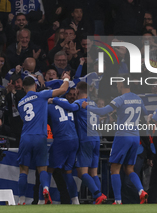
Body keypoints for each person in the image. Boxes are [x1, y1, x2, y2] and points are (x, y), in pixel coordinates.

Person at [82, 75, 149, 204]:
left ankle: (118, 200)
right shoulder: (138, 99)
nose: (117, 85)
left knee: (115, 168)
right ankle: (141, 191)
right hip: (135, 137)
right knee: (129, 168)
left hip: (123, 136)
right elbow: (146, 115)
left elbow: (102, 112)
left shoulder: (120, 99)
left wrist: (87, 107)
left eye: (118, 83)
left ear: (122, 84)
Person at [16, 73, 70, 205]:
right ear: (35, 85)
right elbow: (63, 90)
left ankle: (21, 199)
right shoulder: (42, 95)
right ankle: (46, 189)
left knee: (24, 170)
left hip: (26, 137)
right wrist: (66, 78)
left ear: (24, 88)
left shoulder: (20, 103)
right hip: (41, 136)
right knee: (43, 169)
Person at [53, 82, 107, 204]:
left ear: (77, 91)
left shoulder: (80, 102)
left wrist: (54, 100)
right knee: (93, 173)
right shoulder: (93, 103)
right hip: (96, 139)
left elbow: (71, 107)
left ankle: (98, 195)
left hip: (85, 140)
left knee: (81, 173)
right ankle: (98, 199)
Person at [37, 96, 79, 204]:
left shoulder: (49, 106)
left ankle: (42, 197)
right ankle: (75, 200)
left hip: (62, 140)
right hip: (75, 139)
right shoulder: (67, 103)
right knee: (67, 172)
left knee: (47, 169)